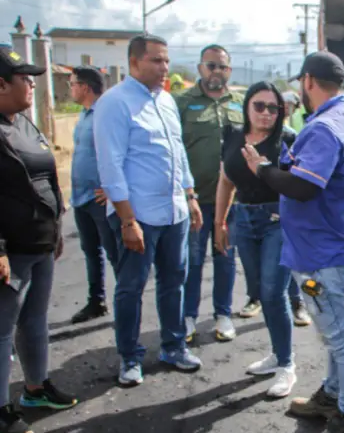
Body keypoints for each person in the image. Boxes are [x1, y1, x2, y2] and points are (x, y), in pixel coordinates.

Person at [241, 51, 344, 433]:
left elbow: (303, 187)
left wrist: (262, 169)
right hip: (333, 246)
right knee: (335, 332)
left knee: (342, 339)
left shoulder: (323, 128)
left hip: (323, 254)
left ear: (308, 81)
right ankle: (332, 397)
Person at [94, 34, 204, 387]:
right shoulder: (115, 103)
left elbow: (178, 152)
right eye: (156, 60)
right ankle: (130, 357)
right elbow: (111, 166)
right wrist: (127, 219)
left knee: (174, 282)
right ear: (134, 63)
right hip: (138, 215)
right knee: (131, 287)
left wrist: (190, 195)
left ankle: (173, 347)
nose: (164, 67)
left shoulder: (167, 101)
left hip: (175, 212)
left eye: (167, 60)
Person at [0, 46, 78, 433]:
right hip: (9, 252)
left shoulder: (25, 124)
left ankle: (35, 389)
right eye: (23, 79)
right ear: (0, 84)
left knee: (34, 319)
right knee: (1, 328)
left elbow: (47, 177)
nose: (32, 84)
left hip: (41, 244)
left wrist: (56, 226)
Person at [212, 81, 299, 397]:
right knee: (260, 292)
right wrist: (219, 222)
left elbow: (299, 186)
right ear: (247, 107)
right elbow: (225, 181)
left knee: (274, 292)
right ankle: (277, 355)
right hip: (244, 221)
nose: (266, 113)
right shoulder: (233, 137)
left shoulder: (288, 140)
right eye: (259, 106)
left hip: (278, 221)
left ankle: (287, 366)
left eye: (273, 107)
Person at [174, 44, 242, 343]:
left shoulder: (241, 103)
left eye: (223, 67)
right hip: (195, 199)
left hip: (230, 201)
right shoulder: (182, 102)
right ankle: (188, 316)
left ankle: (223, 314)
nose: (217, 72)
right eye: (211, 65)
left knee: (225, 257)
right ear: (200, 68)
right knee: (193, 260)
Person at [68, 65, 119, 324]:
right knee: (91, 251)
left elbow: (121, 152)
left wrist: (113, 189)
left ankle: (126, 302)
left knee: (114, 253)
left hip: (101, 200)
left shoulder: (105, 114)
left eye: (72, 84)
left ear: (85, 87)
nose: (70, 89)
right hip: (81, 197)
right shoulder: (84, 115)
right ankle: (96, 301)